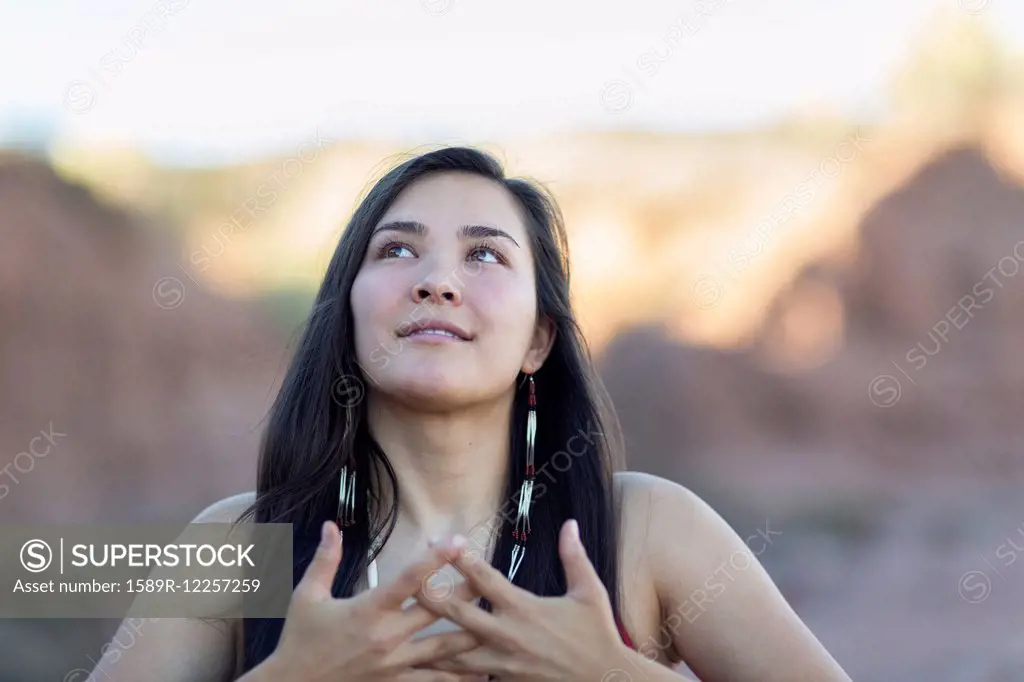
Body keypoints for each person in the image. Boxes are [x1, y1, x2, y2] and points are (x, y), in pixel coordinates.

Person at [91, 146, 852, 681]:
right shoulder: (239, 544)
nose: (437, 282)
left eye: (485, 255)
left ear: (538, 338)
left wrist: (612, 676)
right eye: (396, 251)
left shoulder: (649, 530)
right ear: (348, 315)